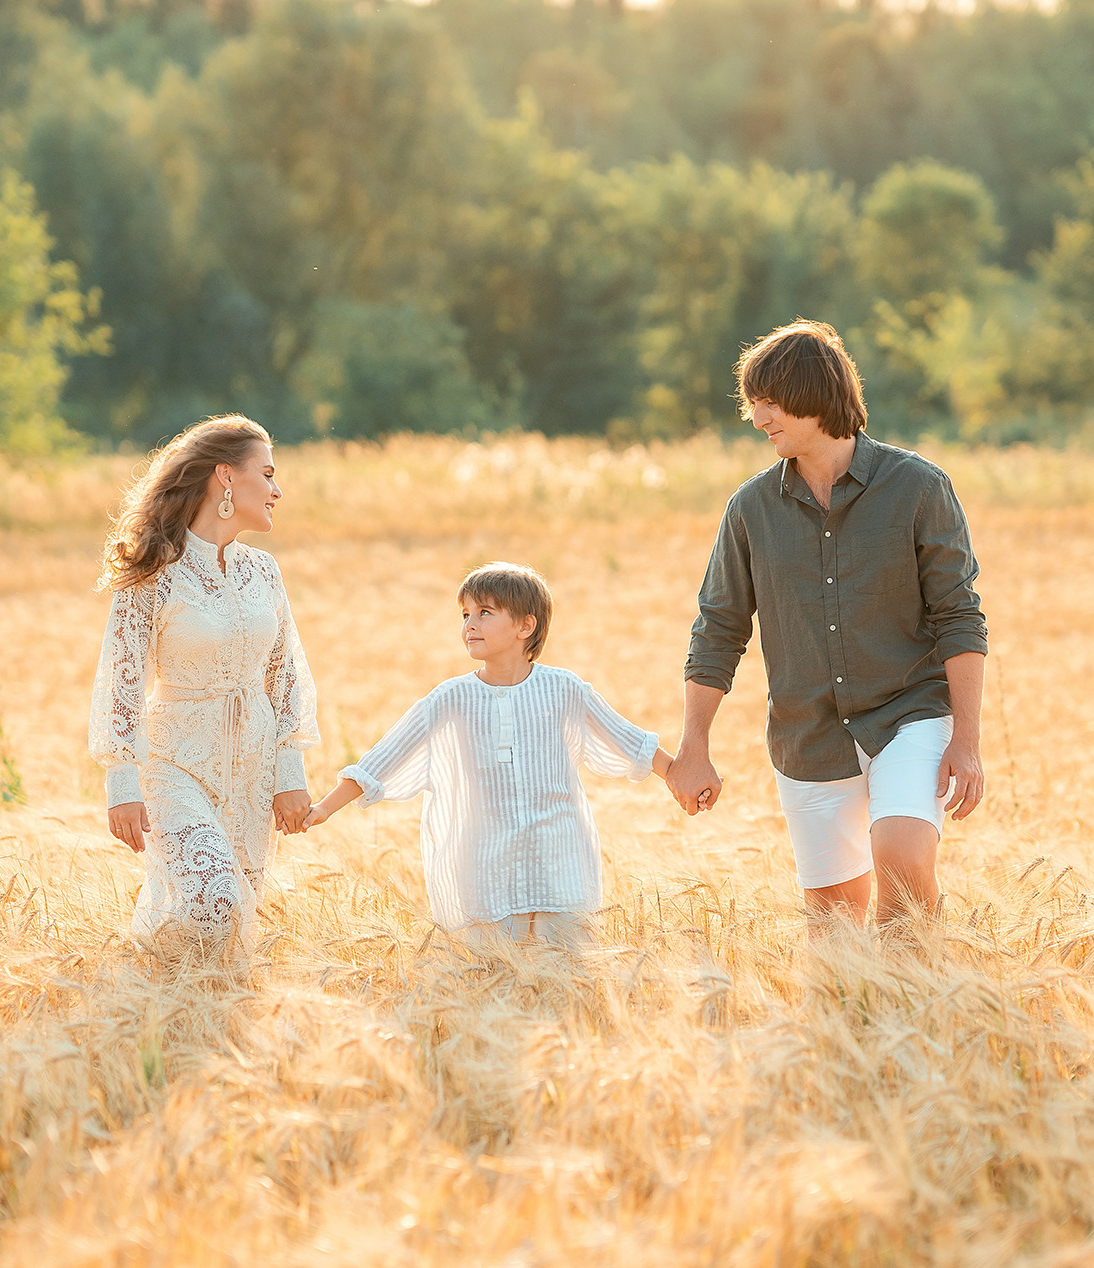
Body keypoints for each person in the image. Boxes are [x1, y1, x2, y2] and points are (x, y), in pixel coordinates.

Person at [665, 320, 988, 933]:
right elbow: (719, 628)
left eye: (770, 401)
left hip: (909, 712)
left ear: (814, 394)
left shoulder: (918, 487)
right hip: (806, 734)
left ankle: (924, 1005)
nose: (756, 416)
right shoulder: (751, 508)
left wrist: (965, 743)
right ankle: (862, 1024)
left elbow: (959, 617)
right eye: (752, 402)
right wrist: (694, 745)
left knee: (901, 854)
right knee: (834, 925)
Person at [297, 562, 675, 948]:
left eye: (484, 613)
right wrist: (325, 808)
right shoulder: (450, 698)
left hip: (559, 858)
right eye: (465, 615)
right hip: (487, 865)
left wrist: (678, 776)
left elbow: (628, 739)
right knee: (491, 968)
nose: (469, 625)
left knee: (568, 966)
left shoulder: (564, 689)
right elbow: (383, 758)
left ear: (524, 627)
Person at [88, 415, 319, 955]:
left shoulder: (264, 572)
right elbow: (121, 680)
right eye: (267, 474)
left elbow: (284, 675)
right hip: (175, 765)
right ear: (226, 477)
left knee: (234, 916)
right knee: (212, 898)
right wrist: (121, 782)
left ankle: (183, 1011)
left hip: (254, 765)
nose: (277, 490)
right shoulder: (153, 573)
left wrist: (290, 771)